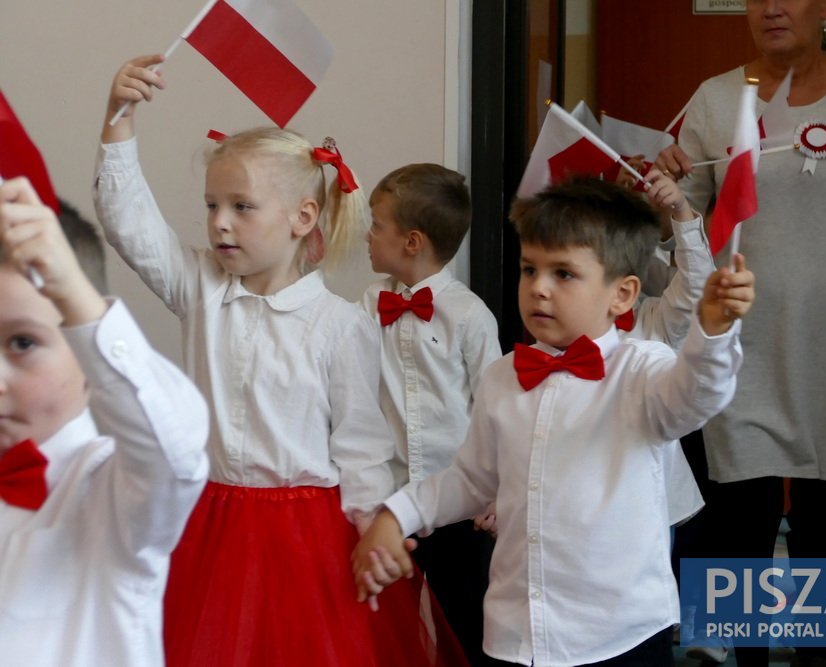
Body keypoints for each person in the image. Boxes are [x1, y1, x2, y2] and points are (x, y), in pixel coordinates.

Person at [93, 54, 460, 666]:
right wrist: (119, 118)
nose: (219, 223)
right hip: (210, 523)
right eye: (212, 206)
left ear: (302, 218)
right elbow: (129, 224)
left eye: (241, 207)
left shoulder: (340, 326)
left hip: (306, 539)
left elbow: (362, 446)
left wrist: (374, 530)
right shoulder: (201, 288)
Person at [352, 176, 755, 667]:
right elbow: (472, 479)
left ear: (622, 294)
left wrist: (711, 334)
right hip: (515, 634)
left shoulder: (642, 369)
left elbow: (695, 396)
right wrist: (397, 515)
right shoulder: (503, 379)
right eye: (529, 269)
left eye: (564, 274)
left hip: (620, 636)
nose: (538, 287)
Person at [657, 1, 826, 665]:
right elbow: (686, 222)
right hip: (737, 343)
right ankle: (743, 653)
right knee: (737, 519)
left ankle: (818, 652)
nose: (772, 7)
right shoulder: (716, 99)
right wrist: (664, 188)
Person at [0, 177, 209, 666]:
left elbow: (174, 450)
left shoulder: (114, 491)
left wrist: (73, 292)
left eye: (23, 343)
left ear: (86, 353)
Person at [360, 163, 502, 665]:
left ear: (412, 241)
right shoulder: (368, 306)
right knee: (391, 620)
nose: (367, 235)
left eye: (377, 224)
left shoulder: (469, 315)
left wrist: (495, 493)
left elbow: (496, 408)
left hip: (459, 503)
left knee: (464, 622)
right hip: (394, 499)